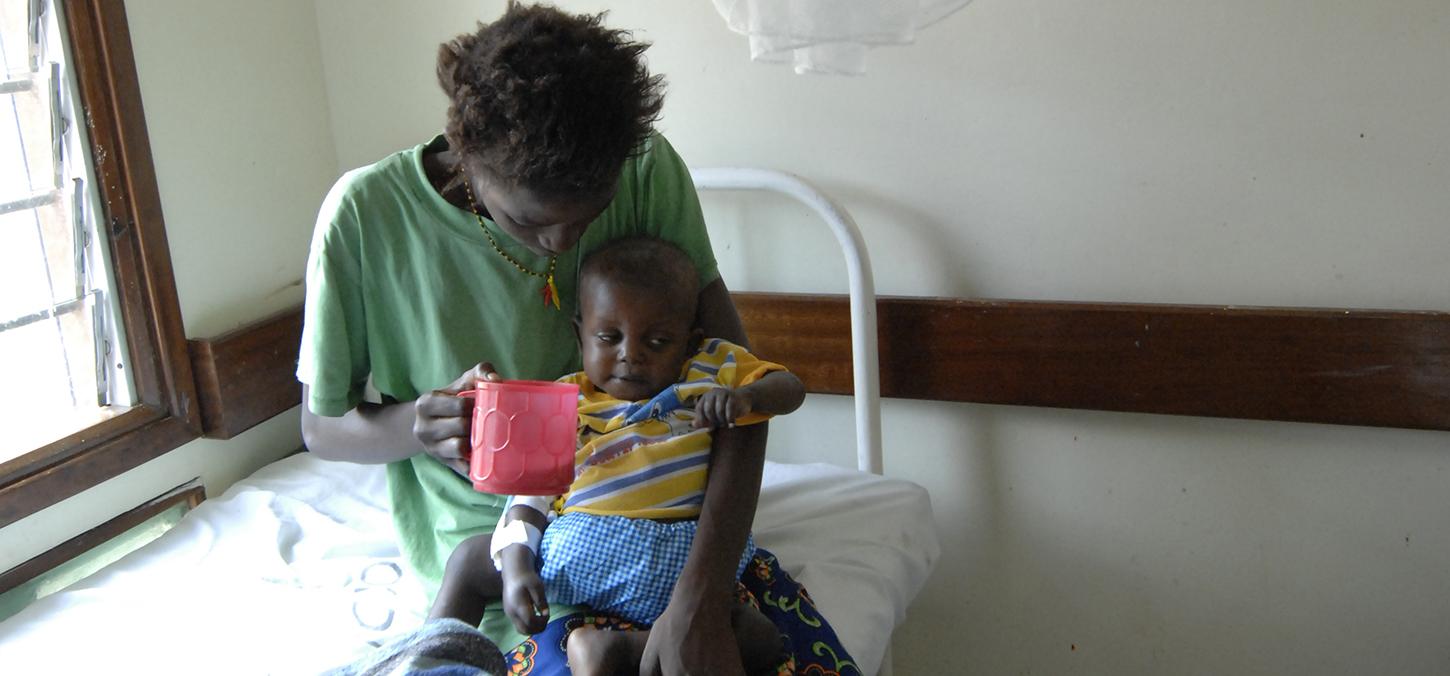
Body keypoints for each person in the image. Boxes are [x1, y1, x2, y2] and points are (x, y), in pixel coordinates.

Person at [299, 4, 856, 674]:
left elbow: (740, 405)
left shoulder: (646, 168)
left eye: (590, 213)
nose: (563, 245)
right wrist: (417, 427)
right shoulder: (364, 218)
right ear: (467, 157)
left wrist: (700, 602)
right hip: (506, 558)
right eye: (527, 222)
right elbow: (322, 428)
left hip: (665, 531)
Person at [430, 238, 805, 675]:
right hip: (603, 546)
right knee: (757, 637)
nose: (630, 354)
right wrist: (516, 565)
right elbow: (530, 491)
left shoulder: (712, 368)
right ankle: (431, 660)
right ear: (579, 334)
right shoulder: (566, 397)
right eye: (609, 337)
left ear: (690, 343)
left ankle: (612, 653)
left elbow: (789, 387)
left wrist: (747, 397)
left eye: (658, 340)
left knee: (469, 562)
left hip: (673, 553)